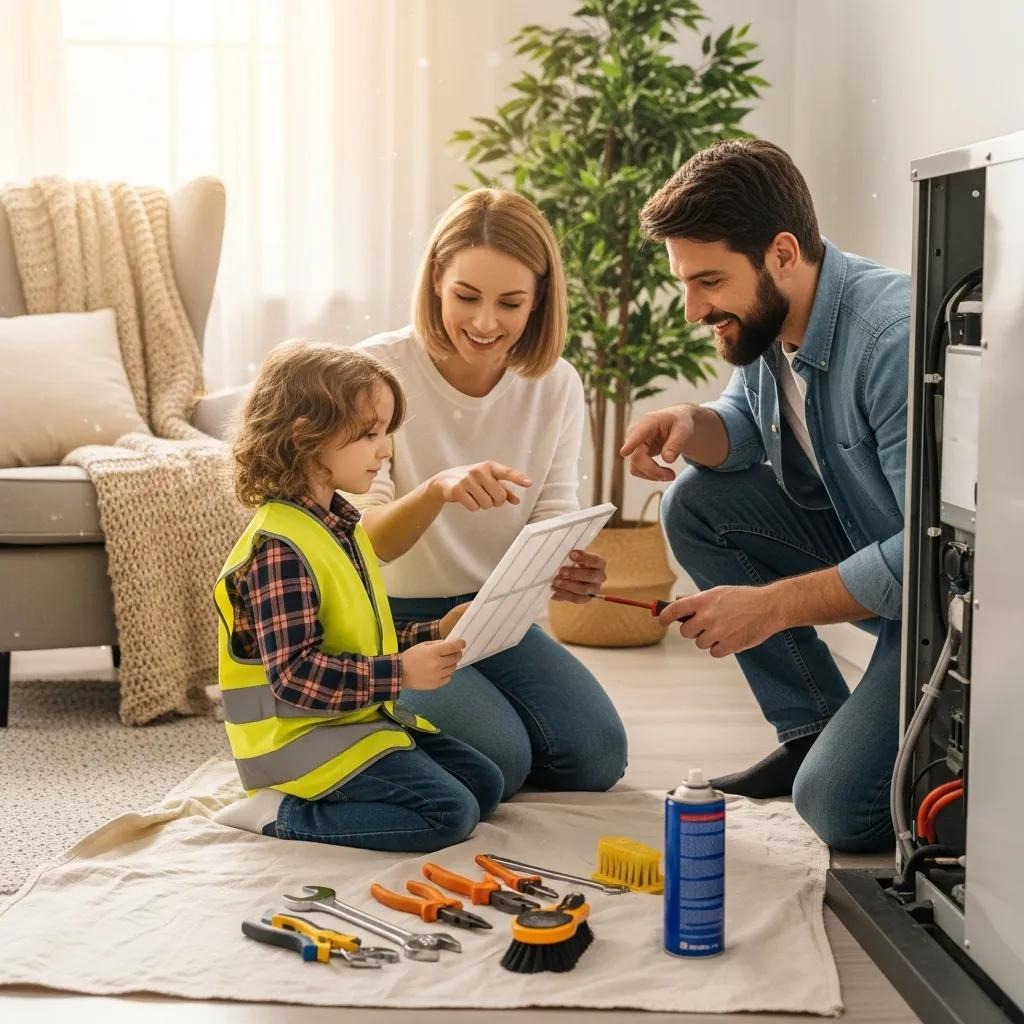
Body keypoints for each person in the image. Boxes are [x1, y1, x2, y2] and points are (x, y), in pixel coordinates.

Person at [622, 140, 909, 851]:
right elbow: (748, 430)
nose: (693, 309)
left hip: (946, 612)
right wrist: (693, 424)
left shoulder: (889, 340)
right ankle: (811, 729)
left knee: (840, 811)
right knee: (696, 500)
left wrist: (771, 607)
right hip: (872, 551)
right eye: (685, 283)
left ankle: (969, 765)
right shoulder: (774, 322)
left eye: (709, 282)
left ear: (782, 252)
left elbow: (935, 559)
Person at [352, 188, 628, 799]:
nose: (484, 323)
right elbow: (363, 544)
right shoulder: (375, 373)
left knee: (597, 757)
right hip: (391, 622)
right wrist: (434, 491)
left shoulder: (555, 384)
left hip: (492, 616)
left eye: (510, 303)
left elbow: (555, 508)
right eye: (466, 297)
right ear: (435, 283)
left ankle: (436, 724)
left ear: (540, 302)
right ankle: (363, 705)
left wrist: (566, 565)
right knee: (501, 757)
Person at [212, 339, 504, 851]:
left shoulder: (339, 525)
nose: (386, 450)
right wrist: (403, 672)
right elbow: (295, 677)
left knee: (485, 785)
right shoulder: (278, 548)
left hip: (354, 722)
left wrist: (434, 632)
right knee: (448, 813)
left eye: (386, 433)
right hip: (296, 747)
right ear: (307, 436)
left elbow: (356, 636)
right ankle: (280, 812)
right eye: (370, 434)